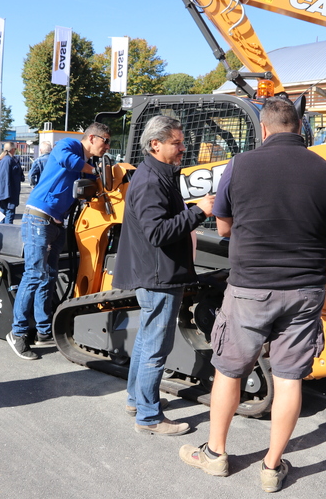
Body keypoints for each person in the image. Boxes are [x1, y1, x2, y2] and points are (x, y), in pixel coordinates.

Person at [179, 99, 326, 492]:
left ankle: (215, 455)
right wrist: (315, 235)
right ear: (300, 128)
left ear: (263, 129)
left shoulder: (239, 165)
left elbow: (224, 229)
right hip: (305, 291)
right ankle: (271, 467)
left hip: (249, 289)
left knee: (229, 370)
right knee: (289, 378)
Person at [112, 116, 214, 436]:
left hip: (158, 273)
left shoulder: (157, 175)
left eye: (182, 142)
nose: (183, 148)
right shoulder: (151, 181)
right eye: (177, 143)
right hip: (158, 277)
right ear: (155, 144)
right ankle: (149, 416)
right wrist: (200, 212)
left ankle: (136, 400)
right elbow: (158, 233)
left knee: (146, 340)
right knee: (156, 346)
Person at [6, 123, 111, 360]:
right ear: (92, 138)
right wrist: (94, 171)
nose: (107, 147)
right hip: (38, 219)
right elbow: (65, 160)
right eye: (106, 141)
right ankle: (18, 332)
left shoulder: (88, 165)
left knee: (49, 275)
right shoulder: (69, 145)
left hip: (55, 223)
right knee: (34, 274)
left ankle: (44, 330)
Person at [0, 142, 25, 224]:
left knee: (3, 213)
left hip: (7, 192)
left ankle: (3, 233)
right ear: (12, 149)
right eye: (15, 148)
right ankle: (6, 234)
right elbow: (4, 178)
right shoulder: (8, 160)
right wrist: (6, 193)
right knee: (8, 214)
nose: (15, 150)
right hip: (9, 192)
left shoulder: (7, 159)